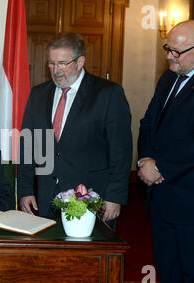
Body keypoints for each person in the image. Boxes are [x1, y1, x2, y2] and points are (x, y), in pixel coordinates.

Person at [137, 20, 194, 283]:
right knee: (169, 272)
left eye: (177, 51)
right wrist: (145, 159)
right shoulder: (168, 77)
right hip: (163, 199)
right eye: (168, 49)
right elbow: (148, 123)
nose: (169, 57)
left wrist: (159, 167)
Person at [17, 32, 132, 229]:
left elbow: (121, 152)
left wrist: (115, 197)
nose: (56, 70)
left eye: (63, 63)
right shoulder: (38, 94)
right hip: (47, 198)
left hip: (91, 198)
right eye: (51, 64)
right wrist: (25, 190)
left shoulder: (108, 94)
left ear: (80, 62)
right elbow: (28, 144)